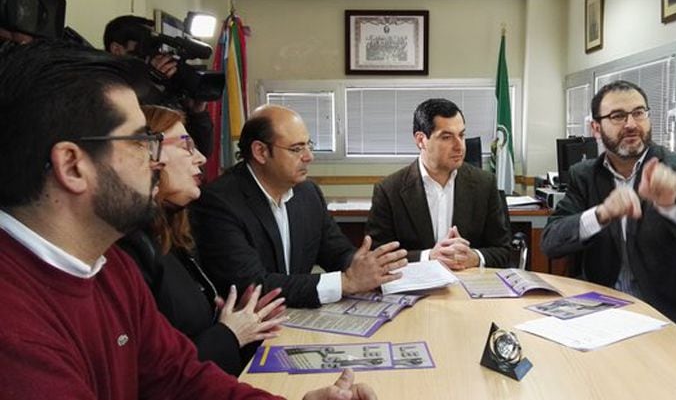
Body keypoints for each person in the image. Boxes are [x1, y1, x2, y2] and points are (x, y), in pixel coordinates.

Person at [0, 40, 376, 400]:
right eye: (140, 143)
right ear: (72, 165)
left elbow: (182, 380)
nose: (156, 161)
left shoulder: (111, 268)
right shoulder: (14, 327)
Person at [540, 80, 676, 342]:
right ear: (596, 128)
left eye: (639, 113)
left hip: (669, 317)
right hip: (601, 315)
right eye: (617, 116)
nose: (631, 124)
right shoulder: (584, 175)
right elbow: (550, 243)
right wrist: (601, 214)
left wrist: (674, 202)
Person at [118, 105, 288, 376]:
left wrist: (243, 320)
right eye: (187, 146)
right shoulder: (129, 249)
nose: (199, 158)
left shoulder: (174, 236)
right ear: (147, 155)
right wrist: (229, 333)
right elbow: (153, 372)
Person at [190, 105, 408, 308]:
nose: (309, 157)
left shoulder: (308, 193)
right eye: (296, 149)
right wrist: (345, 282)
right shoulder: (219, 202)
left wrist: (367, 266)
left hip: (298, 315)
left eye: (308, 145)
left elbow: (336, 252)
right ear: (260, 152)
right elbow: (253, 286)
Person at [366, 98, 514, 270]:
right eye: (446, 137)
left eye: (461, 135)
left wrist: (474, 257)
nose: (459, 146)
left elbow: (504, 251)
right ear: (421, 140)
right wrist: (428, 257)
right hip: (417, 288)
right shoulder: (389, 190)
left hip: (469, 287)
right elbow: (378, 255)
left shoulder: (484, 184)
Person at [103, 15, 213, 157]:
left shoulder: (164, 87)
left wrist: (198, 113)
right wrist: (152, 84)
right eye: (145, 47)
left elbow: (202, 151)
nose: (151, 55)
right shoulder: (105, 88)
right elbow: (146, 137)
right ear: (117, 50)